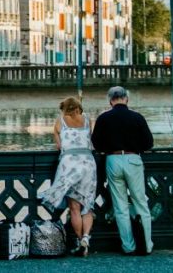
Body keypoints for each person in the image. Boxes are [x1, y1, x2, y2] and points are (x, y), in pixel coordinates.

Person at [91, 86, 154, 255]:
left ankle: (128, 246)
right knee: (141, 202)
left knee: (120, 206)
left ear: (111, 100)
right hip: (133, 159)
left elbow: (96, 143)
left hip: (113, 159)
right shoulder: (137, 117)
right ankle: (147, 245)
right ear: (126, 99)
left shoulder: (103, 118)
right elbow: (149, 143)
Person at [38, 96, 97, 256]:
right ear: (79, 107)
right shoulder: (87, 120)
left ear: (64, 108)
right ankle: (86, 237)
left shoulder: (60, 121)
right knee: (88, 205)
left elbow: (59, 145)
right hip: (88, 163)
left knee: (74, 207)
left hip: (69, 163)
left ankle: (79, 241)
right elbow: (90, 140)